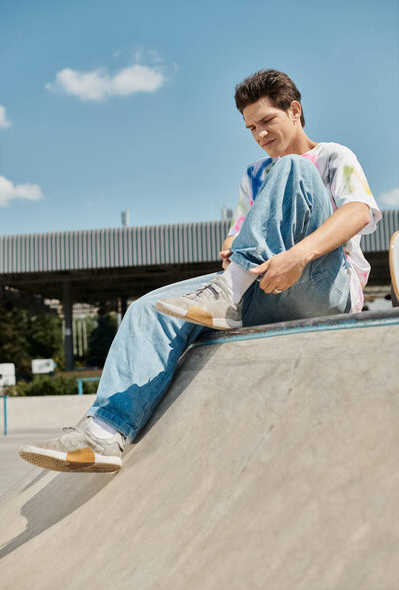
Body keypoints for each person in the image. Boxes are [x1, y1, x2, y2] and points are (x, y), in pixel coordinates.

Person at [19, 69, 381, 473]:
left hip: (326, 288)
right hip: (265, 290)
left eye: (267, 122)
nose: (259, 135)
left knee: (293, 169)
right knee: (148, 309)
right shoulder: (253, 175)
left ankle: (229, 293)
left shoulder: (333, 156)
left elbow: (358, 211)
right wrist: (232, 251)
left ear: (294, 111)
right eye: (250, 128)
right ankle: (105, 433)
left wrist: (299, 255)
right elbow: (242, 239)